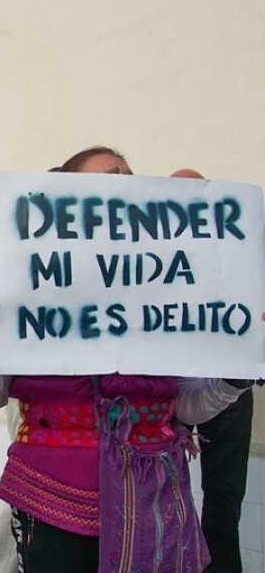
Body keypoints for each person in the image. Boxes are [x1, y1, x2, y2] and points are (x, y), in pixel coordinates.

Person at [0, 147, 253, 572]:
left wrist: (235, 373)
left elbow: (185, 408)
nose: (122, 183)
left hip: (153, 501)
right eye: (106, 177)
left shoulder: (164, 299)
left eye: (128, 175)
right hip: (53, 503)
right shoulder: (26, 292)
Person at [171, 168, 258, 573]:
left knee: (224, 500)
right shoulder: (146, 254)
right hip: (166, 387)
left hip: (229, 385)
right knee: (166, 493)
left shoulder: (238, 251)